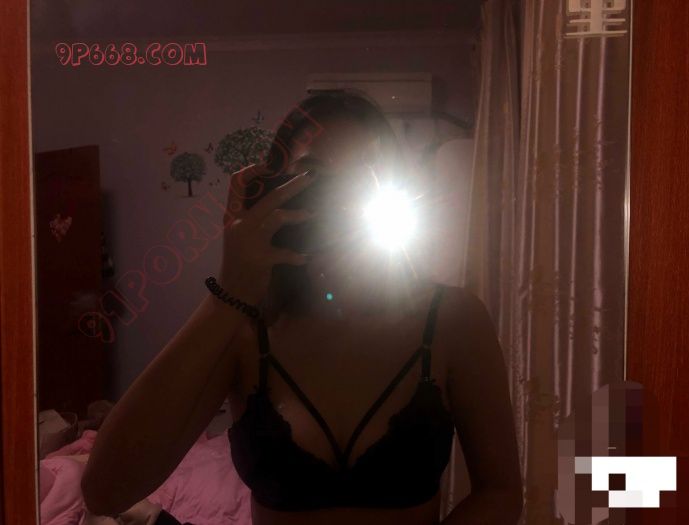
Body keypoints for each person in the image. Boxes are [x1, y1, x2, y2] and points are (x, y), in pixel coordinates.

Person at [82, 92, 523, 525]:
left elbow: (500, 491)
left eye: (365, 178)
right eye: (314, 176)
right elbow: (105, 491)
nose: (341, 202)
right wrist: (230, 291)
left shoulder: (455, 320)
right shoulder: (242, 328)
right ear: (274, 192)